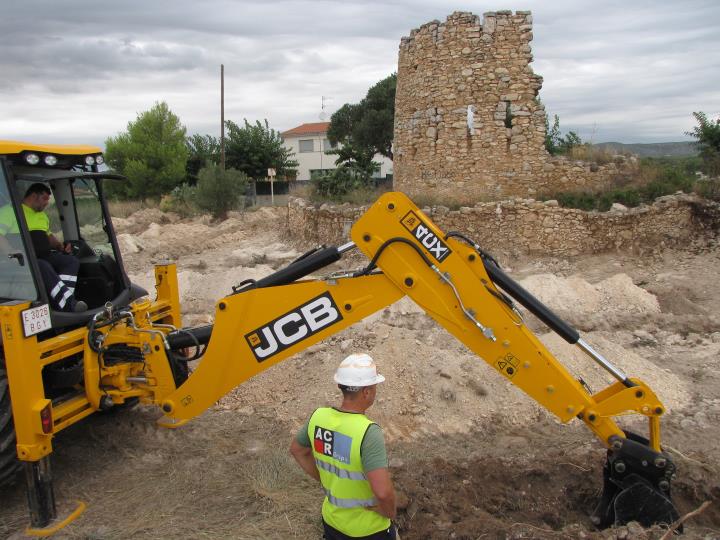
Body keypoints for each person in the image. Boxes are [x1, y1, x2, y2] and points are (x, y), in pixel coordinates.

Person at [290, 353, 397, 540]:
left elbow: (297, 450)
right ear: (366, 392)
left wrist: (326, 481)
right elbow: (383, 492)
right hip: (368, 530)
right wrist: (389, 512)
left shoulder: (318, 417)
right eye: (374, 387)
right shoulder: (368, 433)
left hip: (332, 522)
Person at [0, 183, 86, 312]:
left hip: (43, 256)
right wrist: (10, 251)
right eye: (45, 199)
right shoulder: (10, 211)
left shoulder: (42, 216)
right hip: (21, 259)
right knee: (42, 265)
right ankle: (69, 304)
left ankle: (62, 301)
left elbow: (48, 236)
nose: (47, 203)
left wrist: (59, 246)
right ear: (34, 196)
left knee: (71, 261)